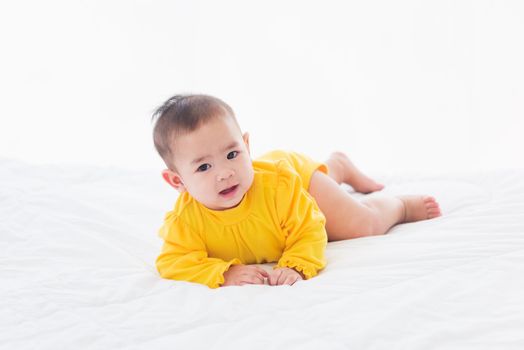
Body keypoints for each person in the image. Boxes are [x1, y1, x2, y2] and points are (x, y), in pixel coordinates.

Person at [152, 94, 441, 289]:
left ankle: (400, 206)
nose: (225, 172)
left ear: (246, 146)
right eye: (203, 168)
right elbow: (173, 262)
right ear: (177, 182)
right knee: (336, 207)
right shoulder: (185, 221)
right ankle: (336, 168)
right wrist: (223, 273)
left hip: (300, 182)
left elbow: (309, 229)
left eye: (232, 154)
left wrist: (298, 265)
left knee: (361, 225)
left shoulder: (279, 187)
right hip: (292, 190)